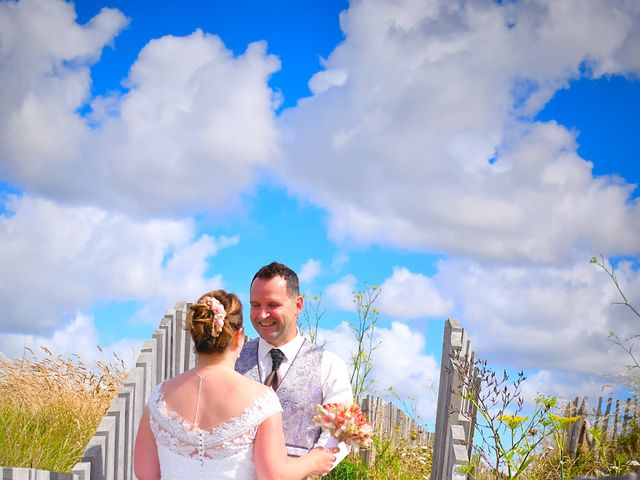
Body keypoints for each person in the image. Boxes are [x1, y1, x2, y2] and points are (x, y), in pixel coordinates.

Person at [134, 289, 337, 480]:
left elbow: (144, 471)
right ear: (239, 337)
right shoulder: (262, 400)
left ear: (194, 337)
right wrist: (313, 461)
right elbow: (274, 475)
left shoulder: (159, 397)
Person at [236, 262, 354, 466]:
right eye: (255, 305)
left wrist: (301, 469)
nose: (262, 314)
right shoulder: (233, 359)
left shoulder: (329, 365)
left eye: (273, 305)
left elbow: (340, 433)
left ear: (298, 305)